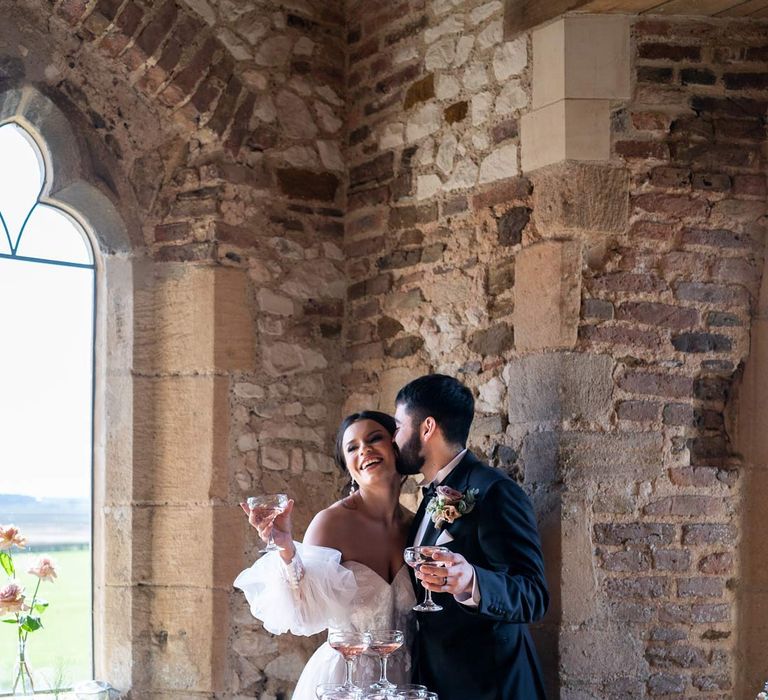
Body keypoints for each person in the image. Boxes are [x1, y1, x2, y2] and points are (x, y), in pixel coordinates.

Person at [234, 411, 416, 699]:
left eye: (374, 438)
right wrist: (286, 549)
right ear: (348, 466)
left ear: (396, 446)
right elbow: (303, 611)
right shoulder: (331, 522)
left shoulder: (416, 527)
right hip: (342, 683)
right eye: (352, 447)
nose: (364, 450)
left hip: (401, 683)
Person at [394, 374, 549, 700]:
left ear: (426, 428)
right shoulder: (431, 496)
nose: (394, 439)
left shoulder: (495, 491)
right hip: (439, 680)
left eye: (398, 426)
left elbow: (534, 595)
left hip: (492, 685)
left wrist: (472, 581)